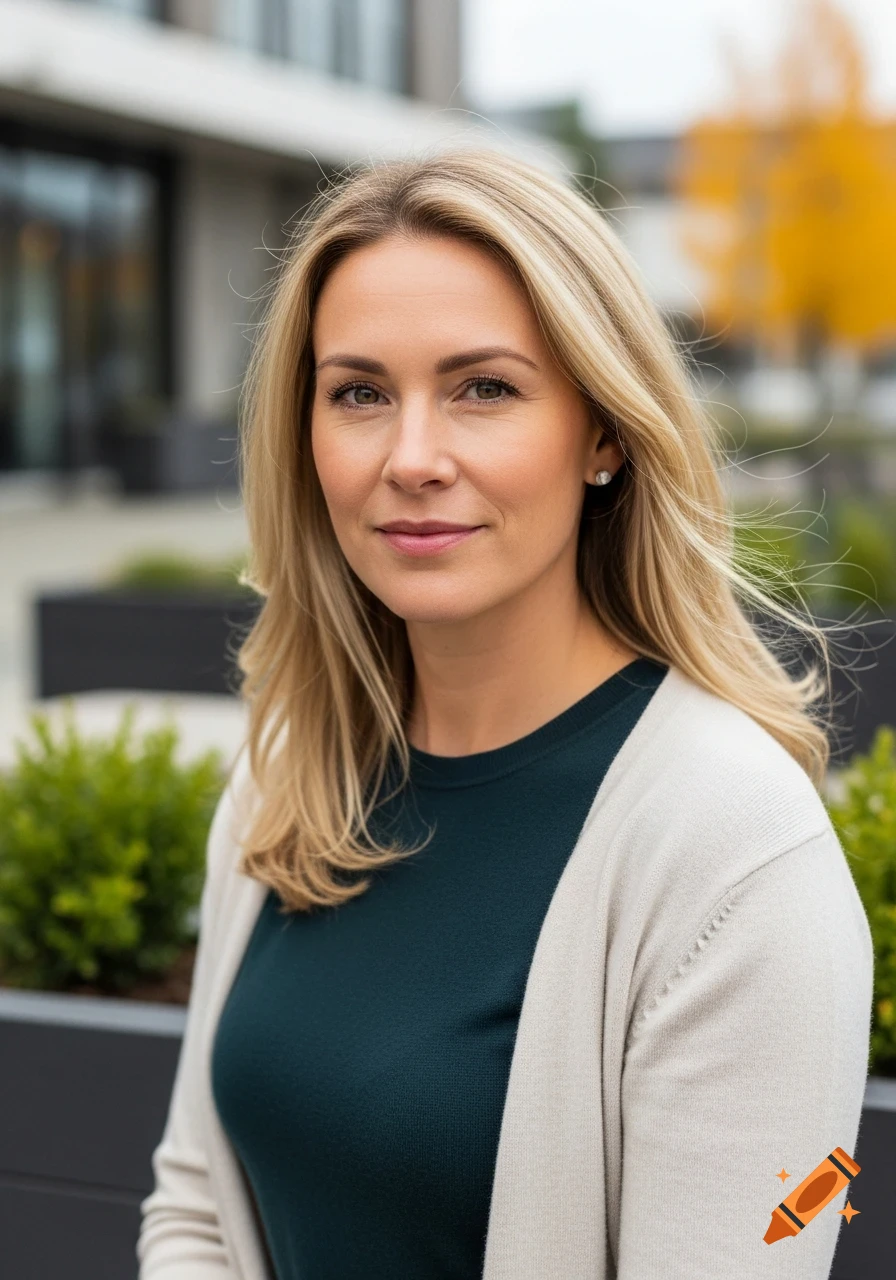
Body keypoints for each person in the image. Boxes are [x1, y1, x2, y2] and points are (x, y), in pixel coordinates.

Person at [136, 149, 873, 1280]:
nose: (411, 457)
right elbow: (195, 1204)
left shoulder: (734, 854)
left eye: (483, 387)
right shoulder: (288, 775)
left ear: (603, 432)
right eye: (359, 393)